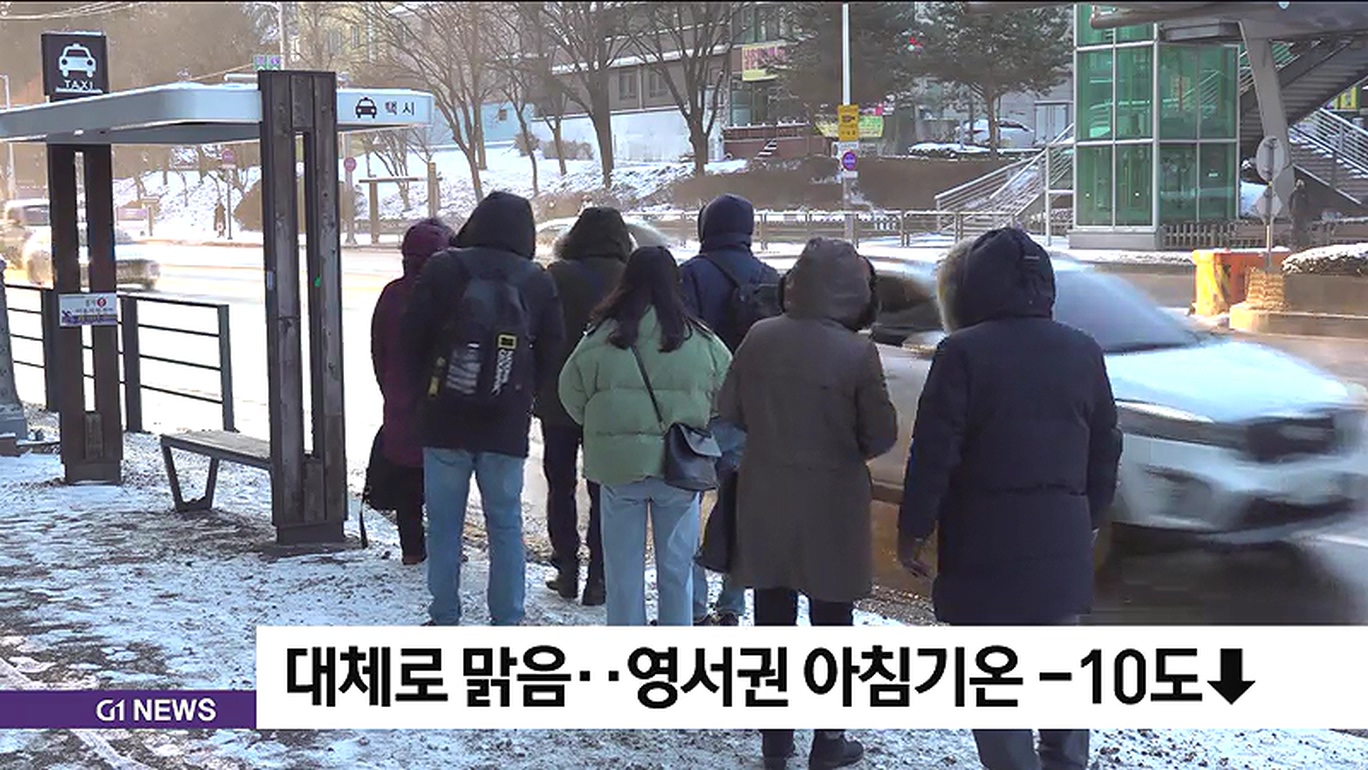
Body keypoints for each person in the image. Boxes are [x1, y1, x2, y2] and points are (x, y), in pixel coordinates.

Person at [897, 228, 1123, 770]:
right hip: (1061, 534)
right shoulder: (1082, 349)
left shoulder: (962, 353)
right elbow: (1106, 444)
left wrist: (914, 530)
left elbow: (934, 452)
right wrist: (1088, 515)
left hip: (984, 539)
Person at [717, 237, 898, 770]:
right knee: (832, 626)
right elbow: (881, 434)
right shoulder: (856, 352)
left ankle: (775, 745)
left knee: (772, 622)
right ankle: (828, 741)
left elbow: (730, 408)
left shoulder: (760, 336)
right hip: (832, 504)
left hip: (766, 495)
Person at [404, 191, 565, 626]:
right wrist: (523, 393)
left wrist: (428, 390)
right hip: (505, 424)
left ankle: (444, 614)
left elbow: (411, 338)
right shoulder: (536, 280)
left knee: (444, 524)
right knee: (505, 523)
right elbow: (554, 351)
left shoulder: (444, 267)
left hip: (444, 421)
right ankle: (507, 619)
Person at [558, 245, 732, 627]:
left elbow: (570, 393)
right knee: (677, 571)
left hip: (619, 467)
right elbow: (728, 393)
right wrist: (695, 418)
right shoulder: (700, 339)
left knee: (622, 573)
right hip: (680, 467)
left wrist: (605, 425)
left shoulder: (600, 336)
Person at [679, 193, 781, 626]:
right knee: (738, 508)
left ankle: (693, 606)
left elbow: (678, 341)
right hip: (751, 412)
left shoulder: (690, 275)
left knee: (685, 509)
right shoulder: (771, 277)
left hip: (700, 409)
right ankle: (732, 605)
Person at [535, 207, 632, 606]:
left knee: (560, 484)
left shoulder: (557, 276)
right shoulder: (629, 278)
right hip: (610, 398)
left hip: (559, 396)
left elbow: (538, 330)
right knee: (603, 487)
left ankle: (567, 568)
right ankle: (599, 576)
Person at [371, 217, 456, 565]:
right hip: (444, 404)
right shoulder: (451, 296)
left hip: (401, 399)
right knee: (444, 481)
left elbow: (378, 349)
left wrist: (391, 388)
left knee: (407, 478)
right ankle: (445, 548)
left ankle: (411, 549)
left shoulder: (392, 295)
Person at [1290, 178, 1312, 250]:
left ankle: (1303, 244)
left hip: (1302, 215)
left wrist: (1307, 213)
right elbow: (1290, 203)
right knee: (1296, 229)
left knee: (1303, 229)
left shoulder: (1304, 194)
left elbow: (1308, 203)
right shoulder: (1294, 193)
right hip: (1296, 215)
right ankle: (1295, 242)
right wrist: (1292, 212)